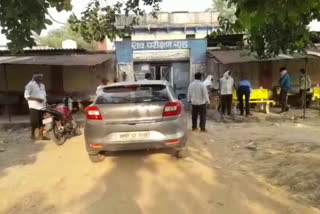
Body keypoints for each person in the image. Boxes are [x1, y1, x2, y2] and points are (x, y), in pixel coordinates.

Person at [24, 72, 47, 140]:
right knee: (34, 122)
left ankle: (41, 135)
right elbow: (27, 96)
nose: (40, 79)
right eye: (38, 77)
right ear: (34, 77)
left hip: (43, 106)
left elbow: (44, 94)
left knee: (43, 122)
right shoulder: (29, 85)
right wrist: (37, 99)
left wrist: (45, 101)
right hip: (34, 106)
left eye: (41, 77)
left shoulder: (42, 85)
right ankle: (32, 134)